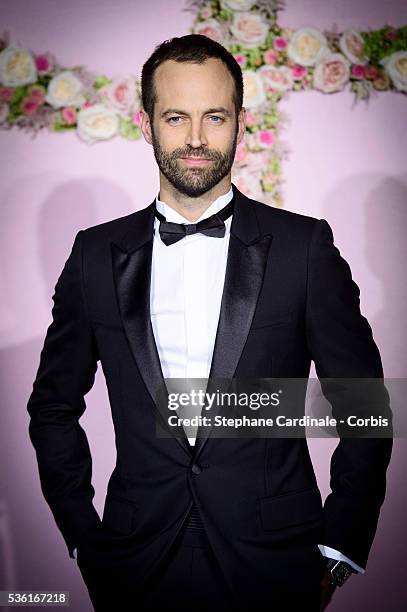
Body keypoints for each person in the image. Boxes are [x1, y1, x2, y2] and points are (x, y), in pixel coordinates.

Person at [27, 34, 392, 612]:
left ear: (239, 122)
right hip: (133, 559)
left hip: (278, 562)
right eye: (176, 117)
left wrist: (340, 543)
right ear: (146, 124)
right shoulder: (94, 255)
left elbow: (364, 403)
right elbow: (51, 407)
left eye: (214, 116)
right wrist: (83, 539)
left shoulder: (304, 247)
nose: (196, 139)